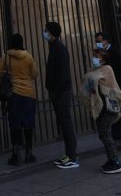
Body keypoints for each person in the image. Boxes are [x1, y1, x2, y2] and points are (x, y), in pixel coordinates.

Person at [79, 46, 121, 175]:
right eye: (94, 56)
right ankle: (111, 160)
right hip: (100, 106)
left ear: (103, 59)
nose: (94, 58)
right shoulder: (94, 70)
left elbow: (102, 82)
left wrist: (91, 78)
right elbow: (89, 80)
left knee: (105, 133)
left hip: (108, 106)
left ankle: (116, 162)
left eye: (97, 56)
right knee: (102, 134)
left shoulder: (107, 69)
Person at [0, 33, 39, 166]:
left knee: (15, 124)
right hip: (28, 94)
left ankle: (16, 154)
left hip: (13, 95)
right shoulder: (28, 56)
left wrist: (8, 80)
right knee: (28, 124)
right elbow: (34, 74)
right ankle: (29, 153)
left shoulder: (6, 57)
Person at [94, 31, 121, 153]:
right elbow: (98, 70)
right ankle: (118, 140)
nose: (98, 43)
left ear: (106, 41)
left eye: (100, 41)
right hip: (108, 90)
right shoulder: (99, 53)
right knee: (112, 116)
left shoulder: (115, 52)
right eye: (96, 41)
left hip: (119, 89)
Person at [44, 21, 78, 169]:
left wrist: (56, 91)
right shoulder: (54, 47)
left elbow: (62, 74)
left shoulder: (59, 49)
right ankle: (68, 154)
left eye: (46, 30)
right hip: (57, 92)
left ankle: (72, 157)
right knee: (63, 124)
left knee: (66, 123)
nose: (44, 33)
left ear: (51, 33)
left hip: (61, 92)